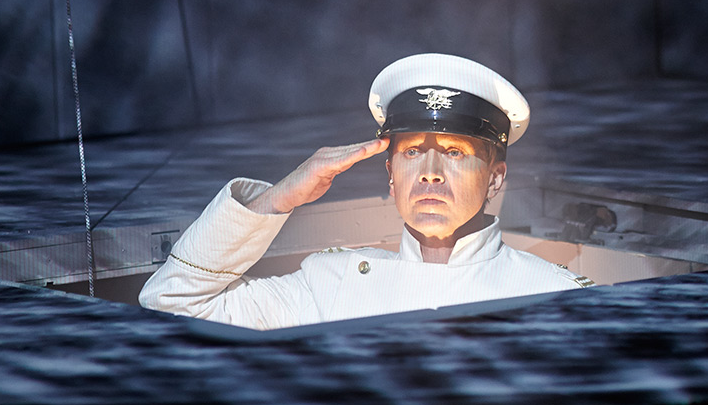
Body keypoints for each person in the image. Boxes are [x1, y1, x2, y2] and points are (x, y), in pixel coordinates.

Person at [139, 53, 593, 330]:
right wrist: (279, 197)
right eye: (412, 152)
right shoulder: (331, 284)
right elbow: (171, 304)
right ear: (391, 174)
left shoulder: (556, 297)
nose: (430, 173)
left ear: (495, 177)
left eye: (454, 152)